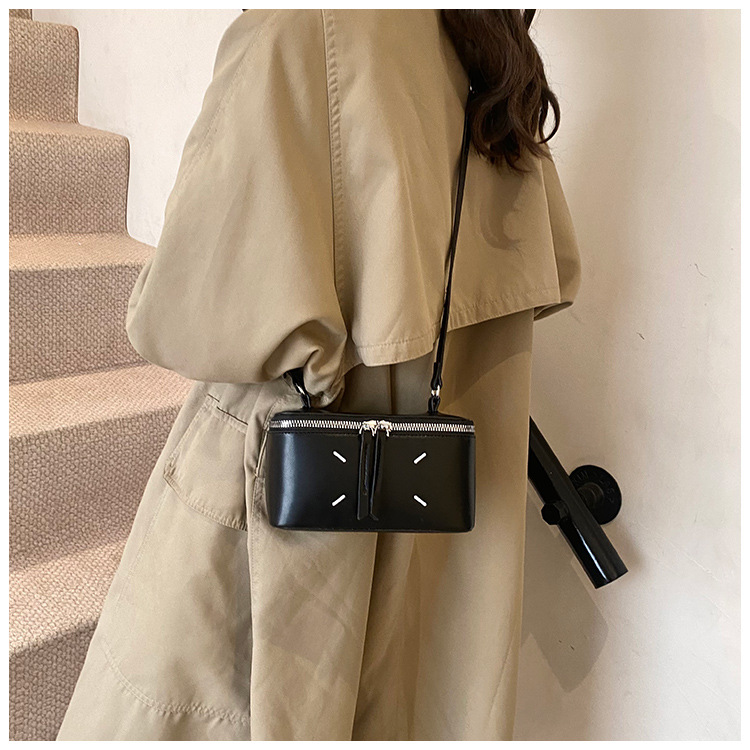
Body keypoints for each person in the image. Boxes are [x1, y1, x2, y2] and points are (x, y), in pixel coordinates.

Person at [58, 9, 580, 741]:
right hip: (451, 508)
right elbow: (543, 276)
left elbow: (182, 316)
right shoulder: (491, 47)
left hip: (300, 503)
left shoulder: (307, 26)